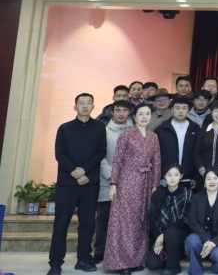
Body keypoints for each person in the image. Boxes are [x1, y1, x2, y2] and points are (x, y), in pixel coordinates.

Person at [48, 93, 107, 275]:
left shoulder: (99, 127)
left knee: (88, 223)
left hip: (90, 182)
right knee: (61, 223)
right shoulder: (65, 128)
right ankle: (55, 263)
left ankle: (84, 259)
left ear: (93, 106)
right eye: (81, 103)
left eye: (88, 103)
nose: (85, 106)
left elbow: (101, 151)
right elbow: (60, 154)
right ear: (75, 107)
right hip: (67, 183)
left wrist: (84, 170)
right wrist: (75, 172)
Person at [105, 104, 162, 275]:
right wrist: (113, 184)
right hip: (127, 181)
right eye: (140, 114)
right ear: (134, 117)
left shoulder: (153, 136)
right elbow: (117, 161)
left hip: (146, 182)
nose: (144, 117)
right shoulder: (126, 135)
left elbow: (157, 162)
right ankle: (122, 263)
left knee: (141, 221)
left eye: (147, 114)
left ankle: (137, 260)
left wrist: (155, 185)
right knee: (125, 222)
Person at [95, 100, 134, 262]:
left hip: (130, 182)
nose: (121, 113)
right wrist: (112, 175)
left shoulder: (136, 131)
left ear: (129, 112)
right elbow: (99, 155)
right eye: (118, 110)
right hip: (107, 181)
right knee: (104, 218)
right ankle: (100, 250)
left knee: (127, 220)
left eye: (124, 110)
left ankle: (125, 252)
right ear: (112, 112)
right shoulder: (103, 131)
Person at [146, 164, 193, 275]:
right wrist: (159, 239)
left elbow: (186, 219)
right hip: (161, 235)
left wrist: (165, 235)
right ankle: (169, 257)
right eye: (169, 175)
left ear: (181, 176)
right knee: (151, 265)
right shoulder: (158, 193)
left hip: (180, 234)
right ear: (164, 176)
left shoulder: (187, 193)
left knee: (171, 233)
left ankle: (173, 266)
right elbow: (151, 218)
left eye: (176, 175)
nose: (172, 178)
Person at [185, 170, 218, 275]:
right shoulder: (196, 198)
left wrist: (213, 243)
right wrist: (206, 240)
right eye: (208, 179)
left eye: (215, 178)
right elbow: (193, 222)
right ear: (204, 182)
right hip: (201, 235)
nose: (212, 181)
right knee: (191, 241)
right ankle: (195, 271)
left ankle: (217, 264)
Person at [157, 96, 201, 187]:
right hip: (167, 178)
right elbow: (157, 156)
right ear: (171, 109)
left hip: (188, 178)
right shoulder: (161, 129)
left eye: (184, 108)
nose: (181, 111)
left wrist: (195, 177)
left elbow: (198, 154)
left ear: (189, 110)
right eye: (177, 108)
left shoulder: (195, 129)